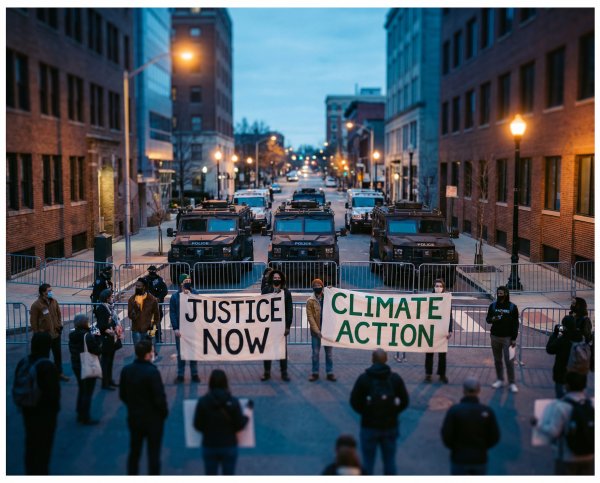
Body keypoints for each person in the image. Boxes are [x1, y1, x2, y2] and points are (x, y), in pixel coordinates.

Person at [349, 348, 409, 475]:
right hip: (390, 426)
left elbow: (354, 402)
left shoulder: (364, 379)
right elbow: (405, 401)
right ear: (386, 360)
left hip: (369, 425)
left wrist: (366, 412)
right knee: (389, 462)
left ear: (372, 359)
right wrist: (394, 411)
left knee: (368, 463)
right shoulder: (395, 379)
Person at [119, 339, 168, 475]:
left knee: (134, 452)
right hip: (153, 420)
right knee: (153, 454)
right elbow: (159, 398)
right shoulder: (152, 372)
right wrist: (163, 413)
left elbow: (123, 394)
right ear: (148, 354)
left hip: (134, 416)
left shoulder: (126, 370)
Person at [14, 332, 60, 474]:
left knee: (31, 442)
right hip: (44, 413)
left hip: (27, 408)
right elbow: (53, 394)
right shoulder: (47, 366)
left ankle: (30, 472)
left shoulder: (24, 361)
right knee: (43, 448)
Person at [536, 371, 594, 475]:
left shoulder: (560, 406)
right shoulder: (592, 404)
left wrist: (538, 424)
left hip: (568, 457)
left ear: (567, 386)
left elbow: (553, 432)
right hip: (589, 455)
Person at [194, 369, 250, 475]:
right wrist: (247, 414)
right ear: (226, 383)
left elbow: (197, 425)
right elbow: (239, 425)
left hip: (210, 445)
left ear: (210, 383)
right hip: (228, 445)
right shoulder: (233, 402)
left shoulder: (203, 402)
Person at [440, 376, 500, 475]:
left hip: (459, 458)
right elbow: (495, 437)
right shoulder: (486, 411)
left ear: (463, 390)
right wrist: (482, 447)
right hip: (479, 458)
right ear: (479, 390)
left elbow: (446, 436)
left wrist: (455, 448)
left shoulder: (454, 410)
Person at [30, 283, 69, 381]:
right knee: (44, 357)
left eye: (51, 290)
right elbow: (33, 322)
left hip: (56, 334)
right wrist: (37, 334)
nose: (51, 292)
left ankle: (59, 373)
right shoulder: (36, 305)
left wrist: (59, 325)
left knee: (58, 356)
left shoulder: (54, 301)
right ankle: (44, 377)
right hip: (44, 336)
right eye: (49, 291)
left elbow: (59, 315)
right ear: (43, 293)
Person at [68, 314, 102, 424]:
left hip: (76, 364)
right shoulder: (87, 336)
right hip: (87, 364)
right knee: (87, 391)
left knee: (82, 389)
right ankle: (85, 416)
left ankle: (80, 411)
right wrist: (98, 339)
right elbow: (96, 350)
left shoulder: (72, 335)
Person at [485, 286, 519, 392]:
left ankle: (512, 382)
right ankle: (500, 379)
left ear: (506, 293)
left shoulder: (512, 307)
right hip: (494, 336)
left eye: (501, 293)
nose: (499, 295)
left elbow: (515, 324)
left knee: (509, 361)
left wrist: (514, 338)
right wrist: (495, 318)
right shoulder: (493, 306)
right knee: (497, 360)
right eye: (498, 293)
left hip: (508, 338)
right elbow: (488, 320)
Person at [260, 269, 293, 382]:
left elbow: (289, 310)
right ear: (271, 279)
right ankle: (266, 373)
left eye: (278, 278)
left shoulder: (286, 292)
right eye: (275, 278)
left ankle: (284, 373)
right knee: (267, 349)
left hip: (280, 326)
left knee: (282, 350)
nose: (277, 279)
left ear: (281, 279)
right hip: (268, 325)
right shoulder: (265, 291)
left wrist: (287, 326)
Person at [170, 273, 201, 383]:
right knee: (181, 354)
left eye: (189, 280)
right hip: (181, 329)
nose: (188, 282)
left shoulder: (195, 293)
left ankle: (194, 374)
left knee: (193, 352)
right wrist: (175, 328)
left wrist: (190, 295)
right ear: (181, 283)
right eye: (186, 281)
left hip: (192, 328)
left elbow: (201, 307)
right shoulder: (175, 297)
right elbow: (173, 313)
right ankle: (180, 375)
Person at [546, 315, 586, 398]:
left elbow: (549, 349)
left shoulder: (563, 340)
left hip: (562, 375)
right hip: (577, 375)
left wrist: (555, 334)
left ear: (565, 326)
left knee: (561, 399)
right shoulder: (580, 337)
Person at [307, 278, 336, 382]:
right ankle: (315, 373)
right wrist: (317, 331)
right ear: (313, 288)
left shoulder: (328, 297)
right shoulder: (310, 301)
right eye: (315, 286)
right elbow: (310, 318)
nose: (317, 287)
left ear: (323, 287)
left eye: (319, 286)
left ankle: (330, 372)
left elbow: (337, 301)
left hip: (328, 331)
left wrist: (332, 290)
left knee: (329, 354)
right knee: (315, 353)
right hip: (316, 333)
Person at [424, 278, 453, 383]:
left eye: (440, 286)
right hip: (430, 329)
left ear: (443, 288)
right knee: (429, 353)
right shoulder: (428, 298)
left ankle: (442, 374)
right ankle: (428, 374)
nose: (438, 288)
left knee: (442, 354)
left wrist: (450, 330)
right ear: (433, 287)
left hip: (442, 329)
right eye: (436, 286)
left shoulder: (446, 299)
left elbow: (450, 315)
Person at [96, 289, 123, 390]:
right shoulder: (102, 309)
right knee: (105, 361)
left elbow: (114, 320)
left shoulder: (110, 308)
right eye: (111, 296)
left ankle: (110, 380)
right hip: (106, 338)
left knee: (110, 360)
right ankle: (105, 382)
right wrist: (110, 331)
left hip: (112, 338)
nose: (113, 298)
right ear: (107, 298)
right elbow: (101, 325)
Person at [143, 265, 169, 357]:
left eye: (153, 271)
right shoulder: (145, 280)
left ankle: (158, 336)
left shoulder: (159, 280)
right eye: (150, 271)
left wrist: (159, 298)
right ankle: (149, 337)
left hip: (157, 304)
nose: (152, 273)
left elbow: (165, 290)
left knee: (157, 320)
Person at [128, 278, 160, 347]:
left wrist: (153, 328)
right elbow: (130, 316)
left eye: (139, 286)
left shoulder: (152, 299)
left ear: (144, 287)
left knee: (149, 354)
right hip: (136, 330)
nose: (137, 287)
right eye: (136, 286)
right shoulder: (132, 299)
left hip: (148, 330)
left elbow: (156, 316)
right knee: (138, 353)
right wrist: (136, 308)